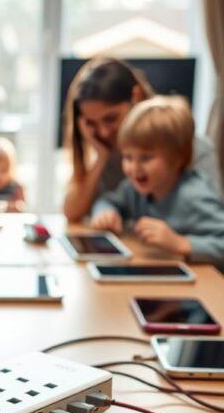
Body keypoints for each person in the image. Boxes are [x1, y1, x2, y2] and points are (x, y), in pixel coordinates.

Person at [62, 57, 221, 222]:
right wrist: (101, 157)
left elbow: (213, 218)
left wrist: (178, 241)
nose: (102, 133)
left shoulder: (196, 150)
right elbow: (76, 212)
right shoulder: (110, 153)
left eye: (111, 118)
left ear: (136, 96)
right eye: (91, 123)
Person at [90, 95, 224, 263]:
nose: (134, 168)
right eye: (128, 157)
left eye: (146, 158)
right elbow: (109, 200)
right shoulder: (134, 189)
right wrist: (105, 212)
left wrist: (182, 243)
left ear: (178, 158)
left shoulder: (194, 197)